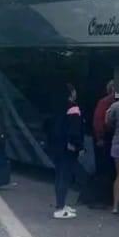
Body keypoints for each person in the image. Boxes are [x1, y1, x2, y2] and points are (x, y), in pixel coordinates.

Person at [48, 84, 84, 218]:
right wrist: (78, 146)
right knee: (65, 176)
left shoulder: (58, 107)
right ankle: (60, 208)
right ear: (71, 93)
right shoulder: (73, 109)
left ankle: (61, 204)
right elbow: (75, 129)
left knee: (59, 175)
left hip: (57, 146)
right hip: (68, 147)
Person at [89, 80, 117, 203]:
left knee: (105, 168)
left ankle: (102, 197)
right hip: (107, 138)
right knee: (107, 168)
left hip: (106, 138)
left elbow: (97, 121)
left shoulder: (105, 102)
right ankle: (103, 197)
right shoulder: (107, 102)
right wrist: (100, 138)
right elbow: (98, 122)